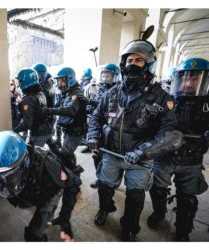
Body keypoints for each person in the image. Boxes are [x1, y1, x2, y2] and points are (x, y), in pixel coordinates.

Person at [86, 39, 182, 241]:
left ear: (148, 64)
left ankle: (129, 227)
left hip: (140, 159)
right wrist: (93, 135)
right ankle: (105, 209)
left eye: (139, 60)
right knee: (105, 187)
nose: (132, 64)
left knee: (136, 197)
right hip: (112, 153)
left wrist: (143, 151)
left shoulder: (162, 97)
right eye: (129, 59)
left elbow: (171, 134)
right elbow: (96, 116)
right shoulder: (112, 94)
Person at [0, 131, 81, 242]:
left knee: (33, 236)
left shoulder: (48, 165)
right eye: (0, 177)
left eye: (10, 175)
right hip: (28, 193)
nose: (5, 180)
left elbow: (73, 182)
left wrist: (65, 217)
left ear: (25, 162)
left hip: (48, 190)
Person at [147, 57, 209, 241]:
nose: (189, 82)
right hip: (164, 156)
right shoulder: (167, 100)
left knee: (187, 197)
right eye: (185, 78)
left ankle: (183, 228)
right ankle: (159, 213)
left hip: (191, 159)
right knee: (157, 188)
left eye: (195, 78)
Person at [40, 67, 88, 175]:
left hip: (75, 131)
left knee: (64, 155)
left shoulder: (76, 93)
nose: (59, 83)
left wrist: (49, 111)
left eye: (62, 80)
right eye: (59, 80)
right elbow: (60, 105)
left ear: (69, 79)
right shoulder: (68, 92)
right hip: (69, 129)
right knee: (68, 153)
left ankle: (74, 175)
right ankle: (72, 169)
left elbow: (70, 110)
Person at [81, 64, 120, 155]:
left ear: (115, 76)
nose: (105, 78)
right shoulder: (101, 88)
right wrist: (90, 106)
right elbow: (98, 101)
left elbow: (108, 107)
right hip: (97, 119)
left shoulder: (118, 90)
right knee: (96, 153)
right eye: (103, 75)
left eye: (108, 76)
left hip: (109, 124)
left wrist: (90, 101)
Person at [14, 68, 53, 147]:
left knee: (34, 157)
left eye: (20, 81)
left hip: (38, 134)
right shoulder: (40, 93)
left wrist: (14, 130)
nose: (18, 84)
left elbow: (27, 123)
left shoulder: (28, 99)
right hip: (47, 129)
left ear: (25, 81)